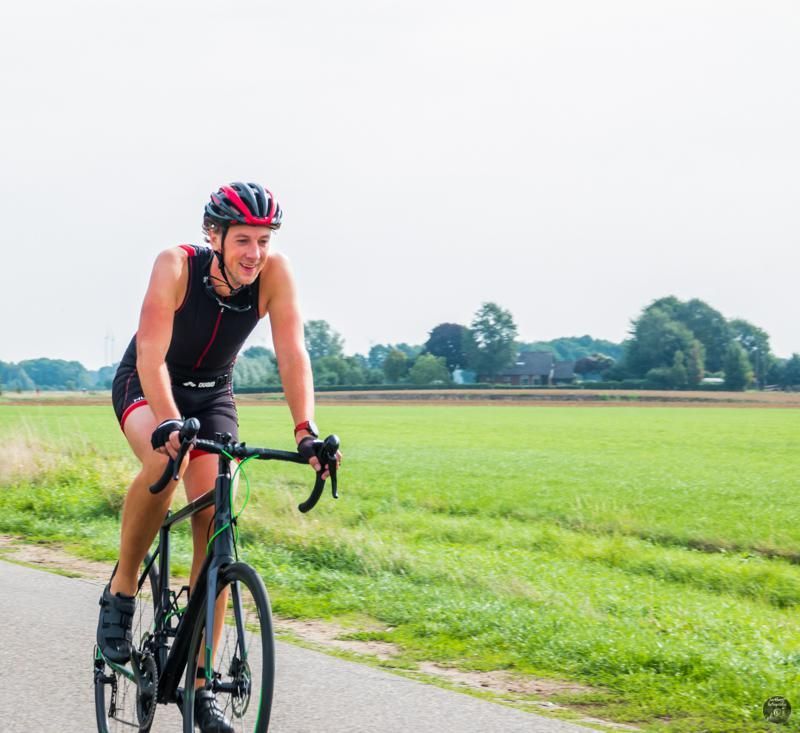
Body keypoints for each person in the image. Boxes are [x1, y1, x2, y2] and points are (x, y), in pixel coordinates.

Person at [97, 181, 340, 733]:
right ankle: (123, 590)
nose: (255, 253)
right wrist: (167, 422)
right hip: (148, 382)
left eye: (263, 240)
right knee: (165, 466)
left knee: (217, 515)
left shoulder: (274, 276)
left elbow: (292, 352)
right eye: (243, 240)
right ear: (215, 236)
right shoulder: (175, 266)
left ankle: (202, 687)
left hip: (212, 394)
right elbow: (153, 356)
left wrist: (306, 431)